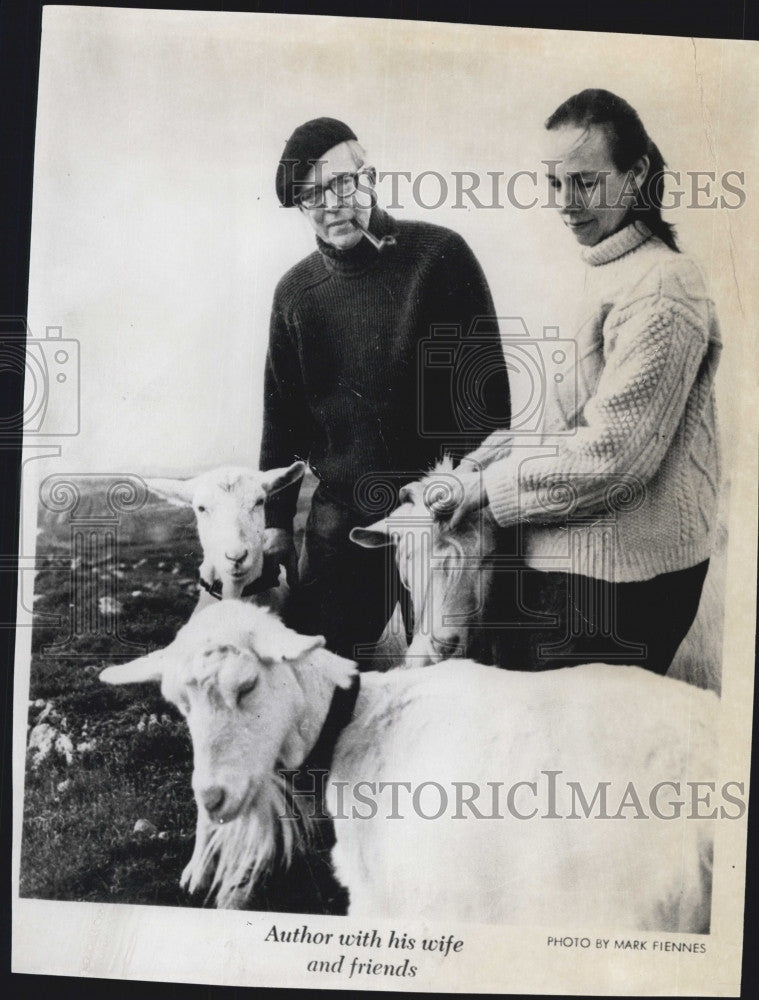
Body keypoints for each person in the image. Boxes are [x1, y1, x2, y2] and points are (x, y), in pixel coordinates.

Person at [445, 89, 722, 675]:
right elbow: (557, 423)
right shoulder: (599, 271)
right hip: (561, 565)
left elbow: (614, 456)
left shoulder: (665, 286)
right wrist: (476, 465)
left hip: (615, 584)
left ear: (637, 173)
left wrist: (488, 491)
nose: (566, 204)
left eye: (586, 182)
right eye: (554, 183)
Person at [260, 117, 511, 665]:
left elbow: (489, 404)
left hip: (439, 518)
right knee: (316, 678)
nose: (331, 205)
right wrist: (277, 524)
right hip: (341, 522)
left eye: (341, 184)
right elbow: (282, 417)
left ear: (369, 176)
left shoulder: (439, 258)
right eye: (310, 196)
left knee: (447, 682)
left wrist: (454, 501)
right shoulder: (296, 294)